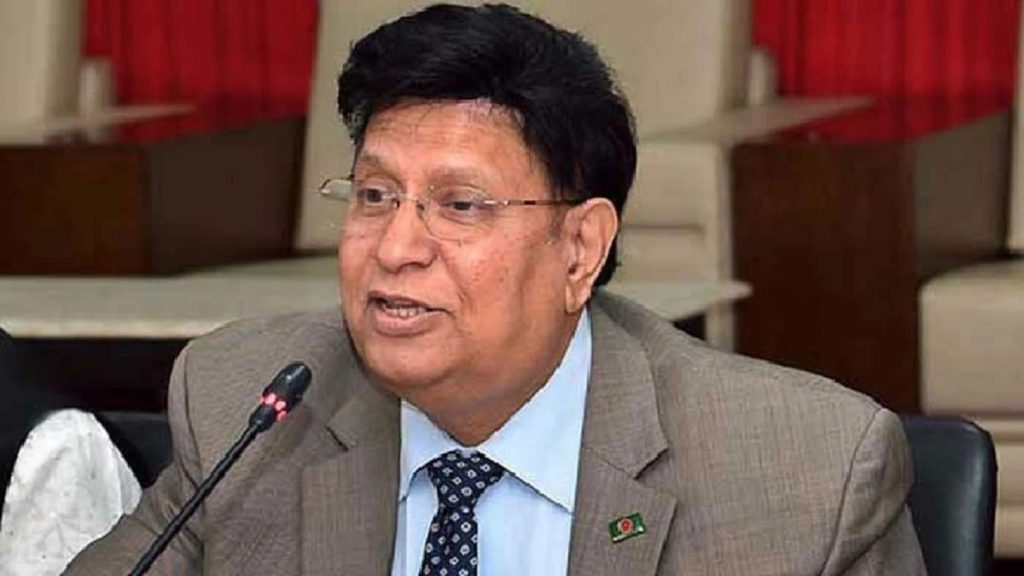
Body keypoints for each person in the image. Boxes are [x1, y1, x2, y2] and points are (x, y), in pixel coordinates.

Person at [66, 4, 925, 574]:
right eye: (375, 195)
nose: (396, 248)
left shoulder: (806, 476)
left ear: (580, 250)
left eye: (461, 205)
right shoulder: (250, 406)